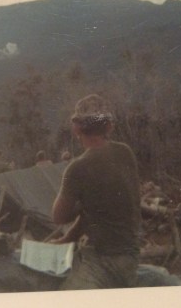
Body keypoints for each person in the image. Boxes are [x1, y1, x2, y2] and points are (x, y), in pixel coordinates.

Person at [51, 94, 141, 290]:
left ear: (76, 128)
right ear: (108, 126)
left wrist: (79, 202)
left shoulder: (77, 168)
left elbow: (59, 217)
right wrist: (68, 238)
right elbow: (100, 208)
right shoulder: (125, 152)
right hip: (131, 254)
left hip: (102, 258)